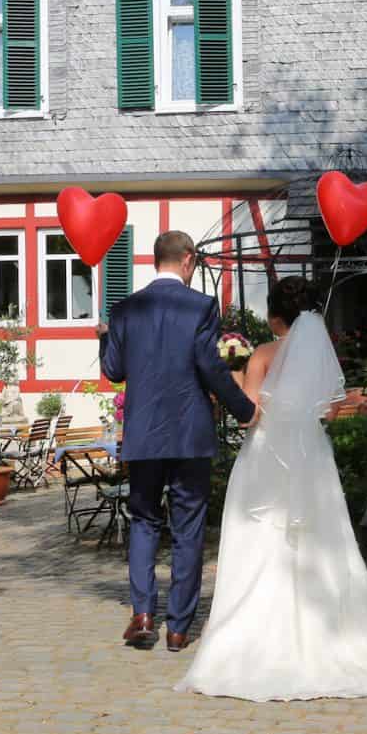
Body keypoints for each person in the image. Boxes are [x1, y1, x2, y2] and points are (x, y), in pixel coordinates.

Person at [176, 277, 367, 701]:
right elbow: (332, 410)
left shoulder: (262, 354)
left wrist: (231, 374)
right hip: (310, 455)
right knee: (320, 537)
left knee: (258, 537)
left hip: (266, 457)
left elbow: (249, 416)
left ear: (273, 315)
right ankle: (330, 630)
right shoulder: (318, 354)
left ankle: (250, 629)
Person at [99, 230, 257, 653]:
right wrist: (244, 409)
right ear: (188, 259)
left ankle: (144, 613)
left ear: (157, 260)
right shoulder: (202, 306)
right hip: (190, 433)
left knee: (145, 521)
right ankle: (178, 629)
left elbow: (113, 370)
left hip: (144, 434)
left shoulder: (125, 309)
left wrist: (105, 334)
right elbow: (210, 367)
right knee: (188, 529)